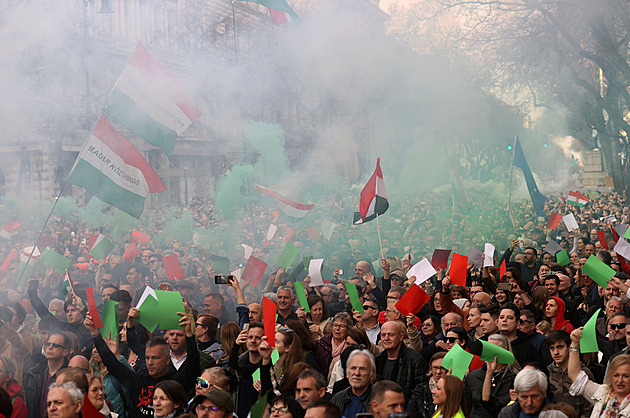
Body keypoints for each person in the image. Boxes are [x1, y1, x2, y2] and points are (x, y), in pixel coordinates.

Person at [84, 310, 199, 418]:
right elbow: (112, 363)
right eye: (147, 358)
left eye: (155, 358)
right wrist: (95, 333)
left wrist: (189, 335)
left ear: (167, 360)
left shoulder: (176, 382)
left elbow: (193, 365)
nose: (150, 362)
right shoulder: (138, 381)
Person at [568, 328, 630, 416]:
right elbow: (575, 375)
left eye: (626, 376)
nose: (620, 380)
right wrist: (574, 343)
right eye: (616, 375)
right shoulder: (603, 393)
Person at [465, 334, 520, 418]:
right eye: (487, 349)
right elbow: (468, 405)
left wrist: (489, 373)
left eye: (492, 349)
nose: (489, 353)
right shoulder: (473, 376)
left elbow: (501, 406)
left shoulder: (514, 377)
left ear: (504, 352)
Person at [545, 331, 593, 418]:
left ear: (569, 347)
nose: (556, 352)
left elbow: (590, 407)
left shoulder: (583, 372)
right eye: (552, 348)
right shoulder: (546, 373)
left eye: (560, 347)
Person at [375, 321, 426, 402]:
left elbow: (420, 391)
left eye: (391, 335)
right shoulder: (378, 359)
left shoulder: (414, 359)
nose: (386, 338)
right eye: (383, 335)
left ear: (401, 337)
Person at [23, 332, 70, 418]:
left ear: (65, 352)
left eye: (55, 345)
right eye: (48, 344)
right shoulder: (33, 374)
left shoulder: (69, 377)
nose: (50, 347)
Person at [330, 349, 374, 417]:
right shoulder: (337, 399)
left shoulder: (379, 399)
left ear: (372, 375)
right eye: (353, 368)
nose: (357, 373)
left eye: (362, 369)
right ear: (347, 373)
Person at [316, 312, 351, 379]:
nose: (337, 328)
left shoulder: (350, 344)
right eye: (335, 325)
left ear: (348, 329)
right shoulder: (323, 342)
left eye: (341, 326)